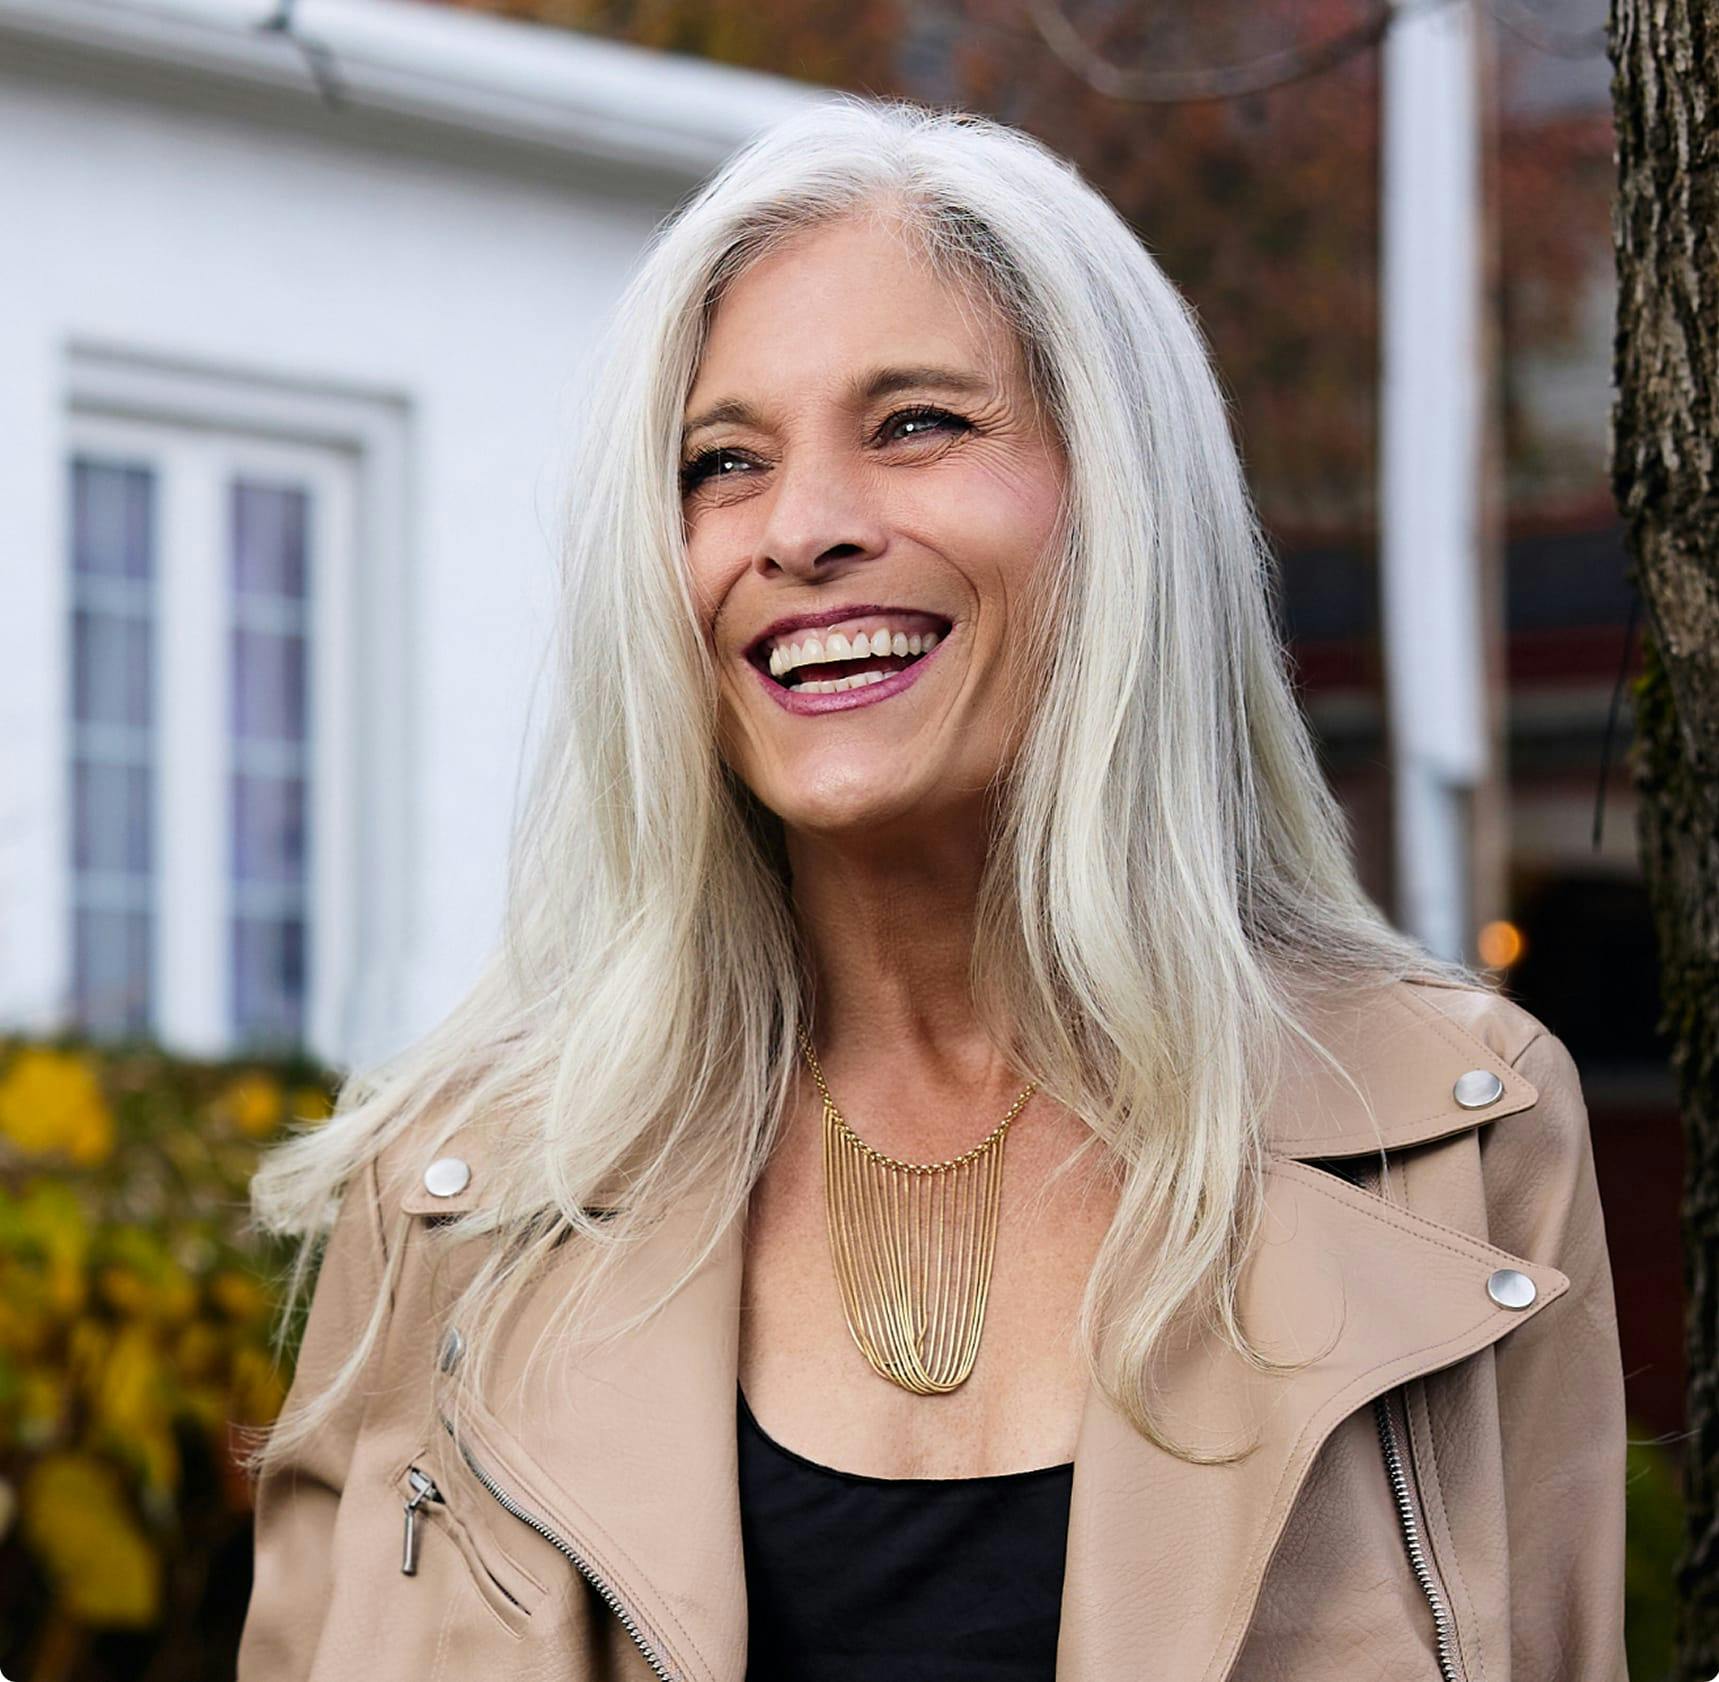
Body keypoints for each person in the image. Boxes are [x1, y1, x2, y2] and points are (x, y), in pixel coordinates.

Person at [236, 96, 1629, 1682]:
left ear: (1120, 504)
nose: (807, 529)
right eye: (722, 462)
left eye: (917, 423)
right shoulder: (457, 1197)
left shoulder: (1455, 1137)